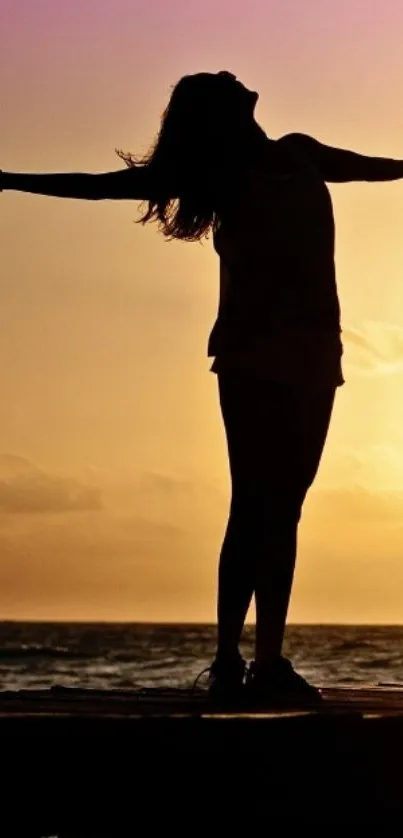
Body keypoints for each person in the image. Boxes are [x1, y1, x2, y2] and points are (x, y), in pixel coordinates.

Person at [2, 70, 403, 706]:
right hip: (250, 356)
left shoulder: (300, 153)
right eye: (218, 80)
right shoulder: (219, 177)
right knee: (252, 506)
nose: (231, 73)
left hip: (316, 357)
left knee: (286, 510)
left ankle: (268, 659)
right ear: (217, 112)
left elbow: (381, 167)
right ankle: (226, 659)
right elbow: (99, 188)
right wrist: (7, 179)